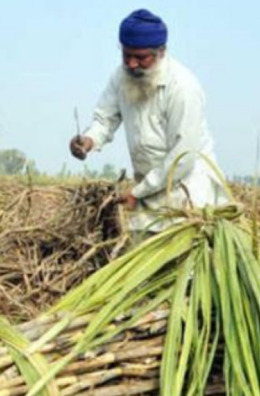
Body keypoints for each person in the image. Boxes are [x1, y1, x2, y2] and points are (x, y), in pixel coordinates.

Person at [69, 8, 228, 234]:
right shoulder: (121, 77)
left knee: (181, 264)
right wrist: (88, 140)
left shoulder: (183, 88)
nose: (132, 64)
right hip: (147, 190)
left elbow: (183, 158)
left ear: (161, 52)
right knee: (141, 255)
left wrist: (138, 192)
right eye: (127, 55)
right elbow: (105, 119)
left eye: (141, 58)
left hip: (187, 194)